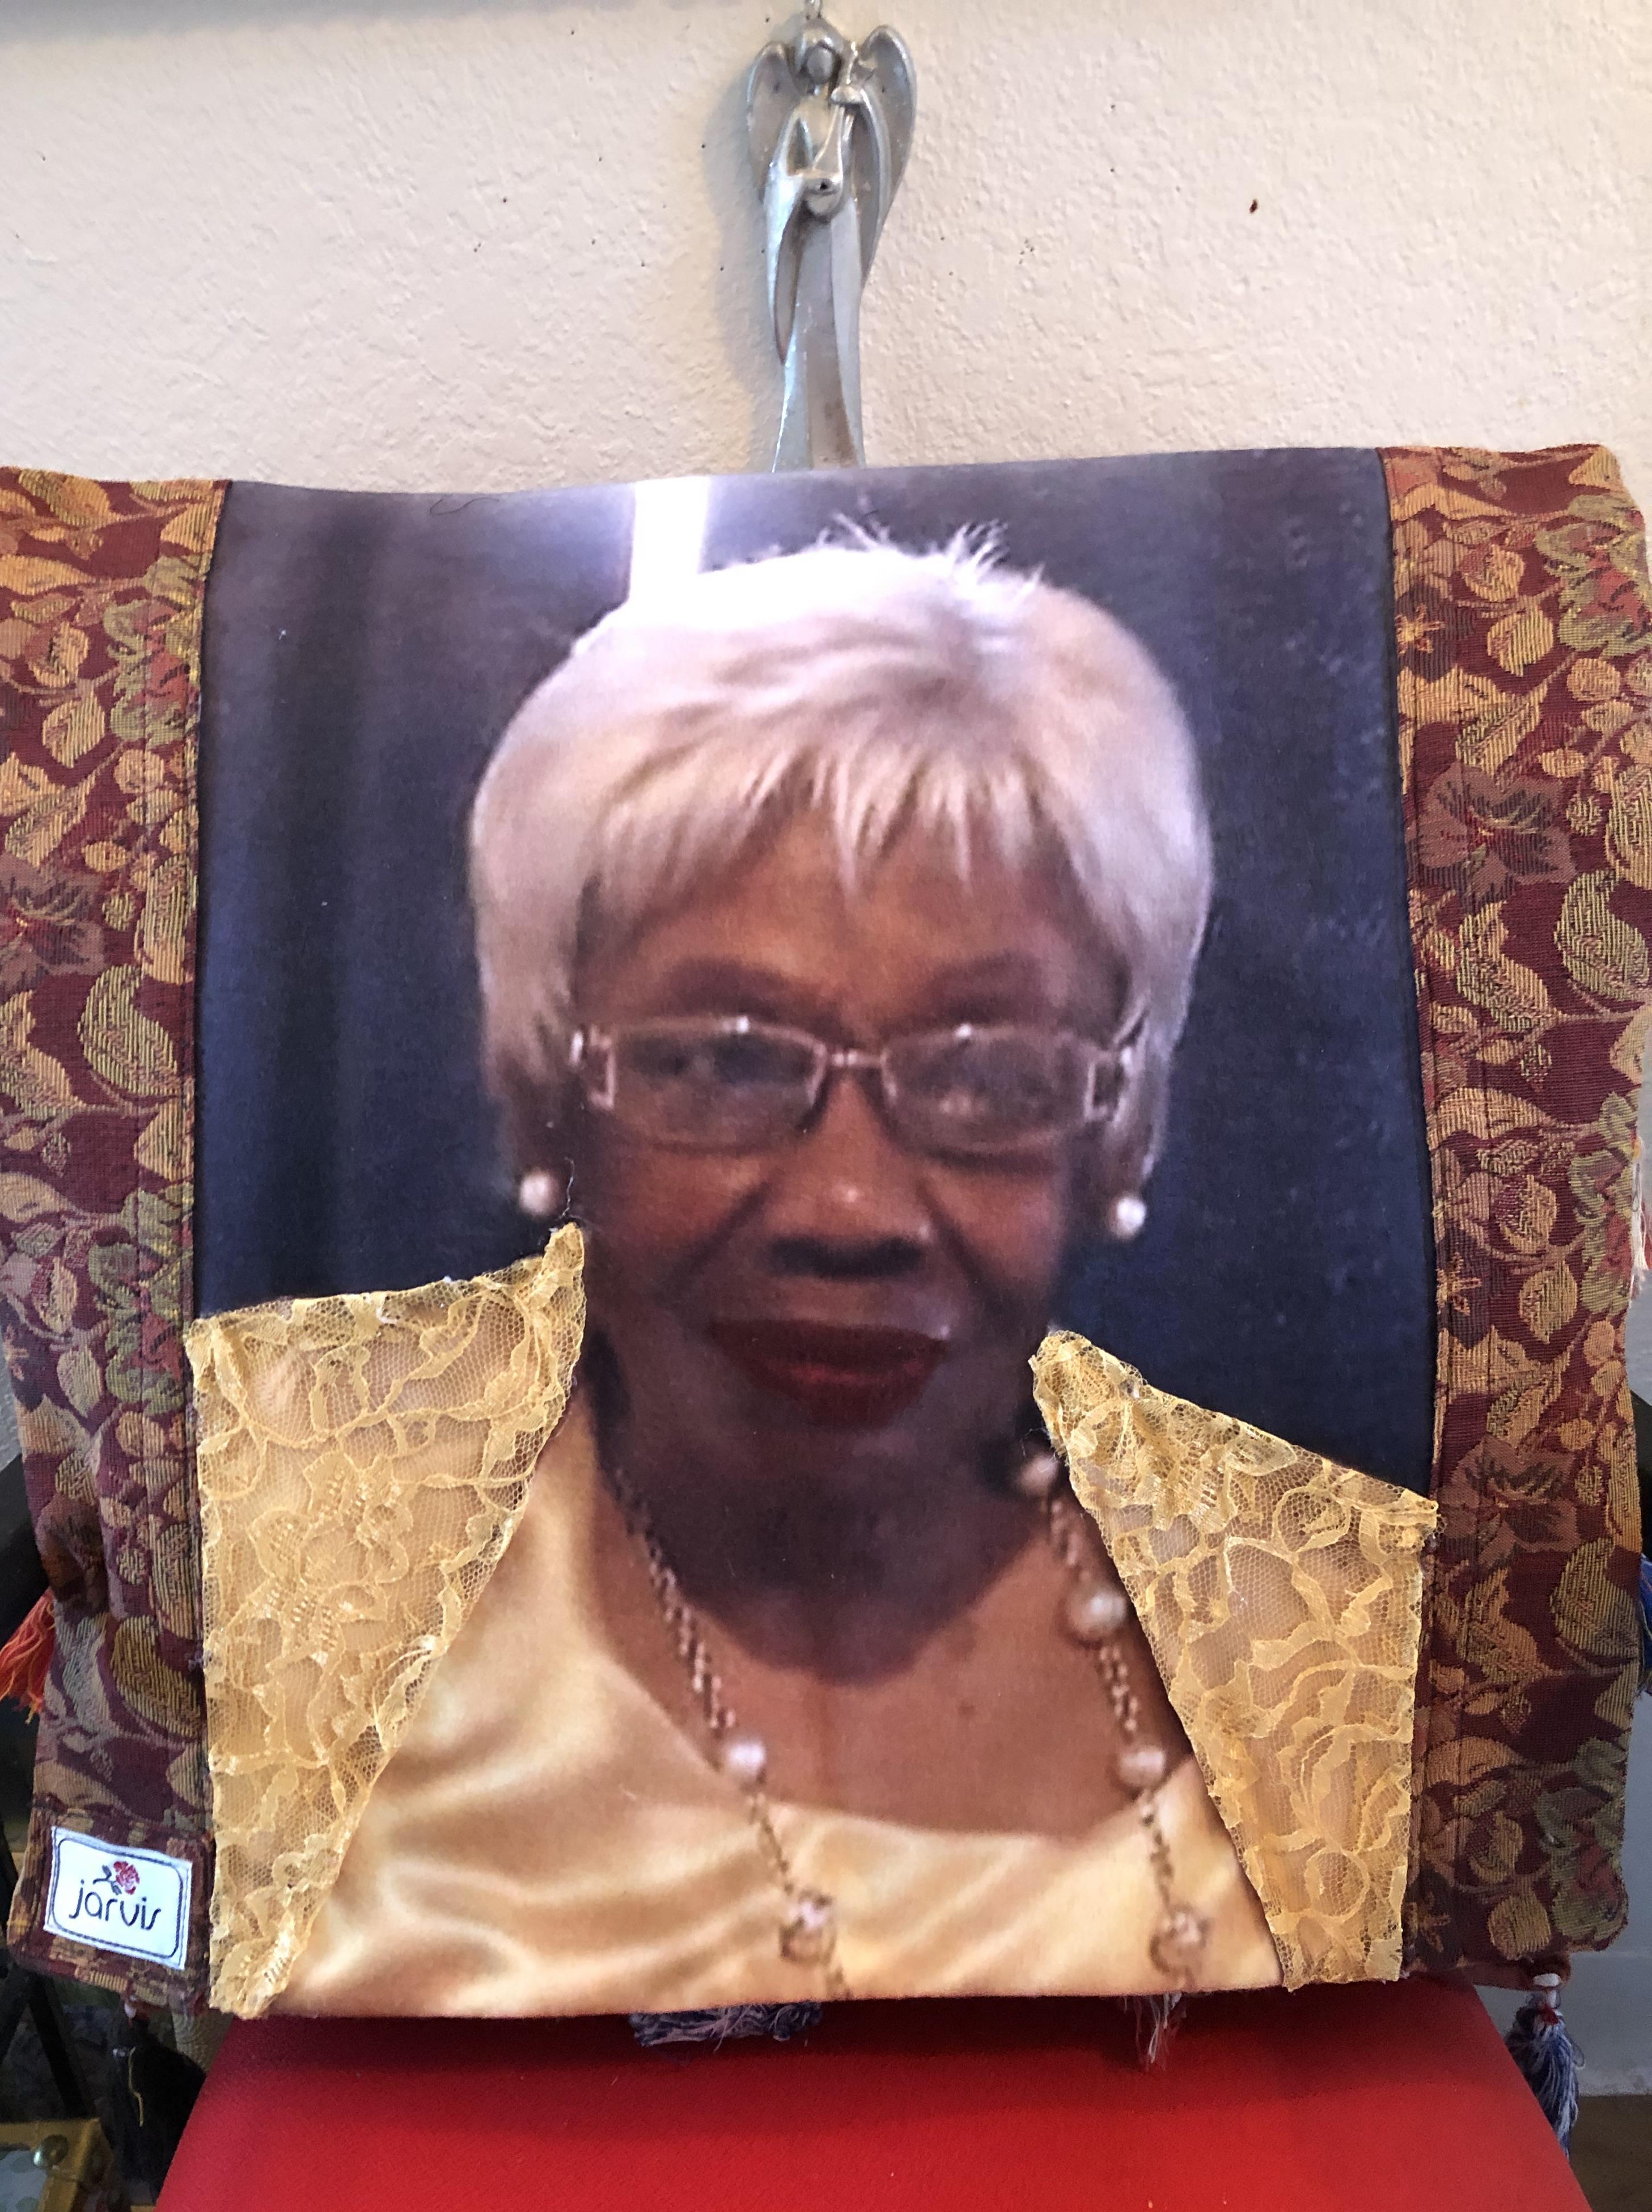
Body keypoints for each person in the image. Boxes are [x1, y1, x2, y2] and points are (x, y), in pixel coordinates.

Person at [269, 539, 1282, 2015]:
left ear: (1124, 1130)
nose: (851, 1209)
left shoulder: (1336, 1603)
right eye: (722, 1061)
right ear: (542, 1093)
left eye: (992, 1073)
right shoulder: (276, 1495)